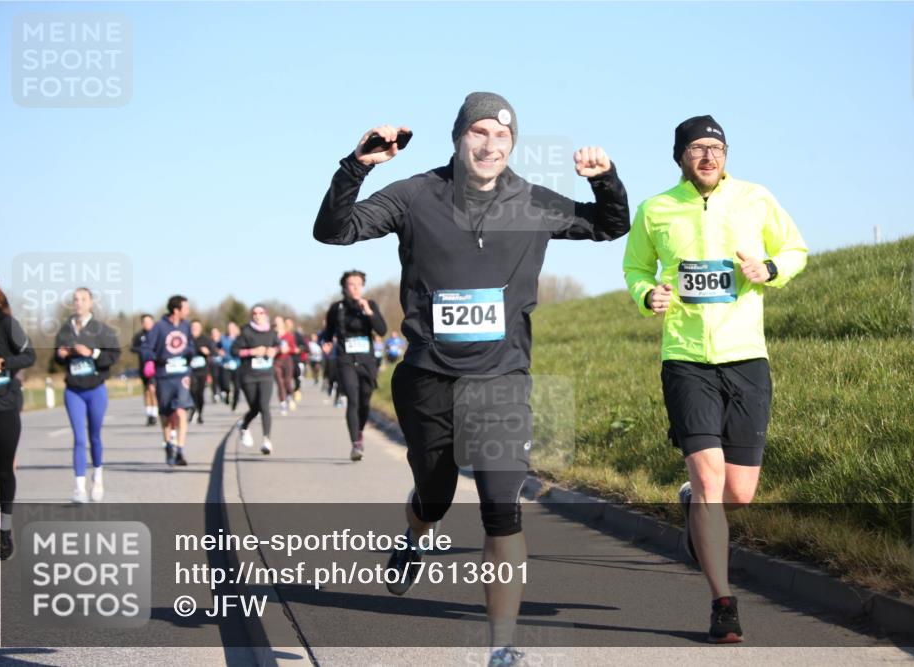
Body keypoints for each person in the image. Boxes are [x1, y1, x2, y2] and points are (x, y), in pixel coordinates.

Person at [313, 92, 629, 666]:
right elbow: (335, 232)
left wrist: (606, 180)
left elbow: (610, 226)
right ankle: (415, 534)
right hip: (428, 377)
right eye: (478, 133)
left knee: (501, 507)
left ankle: (501, 648)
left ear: (513, 145)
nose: (489, 145)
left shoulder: (532, 202)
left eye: (502, 137)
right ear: (458, 137)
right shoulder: (415, 195)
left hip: (502, 377)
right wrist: (356, 165)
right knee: (433, 496)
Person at [623, 115, 808, 644]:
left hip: (746, 355)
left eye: (716, 148)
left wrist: (769, 270)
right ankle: (723, 604)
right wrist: (646, 295)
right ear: (680, 156)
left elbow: (795, 248)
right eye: (697, 149)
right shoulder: (656, 208)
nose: (708, 157)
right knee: (709, 480)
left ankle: (692, 510)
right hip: (684, 357)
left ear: (726, 155)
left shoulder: (756, 198)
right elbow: (635, 268)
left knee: (740, 493)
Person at [0, 270, 36, 562]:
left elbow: (29, 356)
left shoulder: (6, 323)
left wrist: (0, 361)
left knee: (3, 471)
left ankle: (4, 530)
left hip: (4, 406)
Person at [53, 287, 120, 503]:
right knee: (79, 438)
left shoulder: (102, 330)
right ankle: (79, 488)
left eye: (83, 299)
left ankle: (98, 476)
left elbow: (114, 354)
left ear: (91, 303)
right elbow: (57, 358)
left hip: (95, 389)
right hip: (73, 390)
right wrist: (61, 355)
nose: (79, 303)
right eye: (75, 299)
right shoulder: (65, 330)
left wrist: (92, 353)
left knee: (94, 436)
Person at [322, 270, 387, 461]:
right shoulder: (336, 308)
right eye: (352, 284)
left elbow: (382, 330)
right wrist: (326, 343)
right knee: (353, 398)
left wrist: (368, 312)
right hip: (345, 359)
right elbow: (328, 333)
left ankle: (359, 430)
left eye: (359, 284)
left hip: (367, 360)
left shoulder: (370, 305)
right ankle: (355, 444)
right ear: (344, 287)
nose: (356, 287)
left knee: (365, 400)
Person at [141, 295, 195, 466]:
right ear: (176, 310)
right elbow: (146, 347)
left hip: (182, 375)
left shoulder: (186, 326)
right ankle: (168, 445)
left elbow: (191, 345)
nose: (188, 311)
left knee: (181, 411)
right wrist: (151, 360)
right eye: (185, 308)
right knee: (165, 415)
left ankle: (180, 450)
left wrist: (190, 353)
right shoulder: (159, 327)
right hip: (164, 376)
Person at [232, 305, 278, 455]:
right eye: (254, 313)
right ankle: (244, 426)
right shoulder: (246, 331)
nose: (257, 316)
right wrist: (252, 351)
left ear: (266, 314)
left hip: (266, 374)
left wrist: (274, 351)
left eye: (261, 313)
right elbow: (234, 350)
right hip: (249, 375)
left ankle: (266, 440)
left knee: (264, 406)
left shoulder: (271, 332)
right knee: (255, 408)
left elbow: (278, 345)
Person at [130, 314, 159, 425]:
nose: (147, 324)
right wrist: (141, 350)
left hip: (155, 366)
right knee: (146, 391)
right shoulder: (139, 336)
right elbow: (132, 348)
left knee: (153, 389)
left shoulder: (157, 334)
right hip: (143, 367)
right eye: (144, 322)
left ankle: (155, 414)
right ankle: (149, 414)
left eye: (149, 321)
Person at [187, 320, 212, 424]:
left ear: (200, 328)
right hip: (190, 370)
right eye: (193, 327)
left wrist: (207, 352)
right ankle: (193, 408)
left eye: (197, 327)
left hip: (202, 370)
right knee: (192, 391)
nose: (195, 329)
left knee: (200, 393)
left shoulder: (205, 339)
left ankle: (200, 413)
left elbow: (213, 352)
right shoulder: (187, 339)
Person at [273, 316, 297, 416]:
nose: (277, 324)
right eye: (275, 322)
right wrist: (276, 350)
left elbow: (294, 349)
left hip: (287, 360)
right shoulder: (272, 335)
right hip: (276, 361)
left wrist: (288, 349)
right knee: (280, 383)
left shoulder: (289, 336)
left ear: (283, 323)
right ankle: (282, 403)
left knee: (287, 381)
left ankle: (289, 395)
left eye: (279, 322)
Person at [208, 326, 227, 404]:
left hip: (222, 363)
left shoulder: (223, 341)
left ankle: (223, 392)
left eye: (216, 332)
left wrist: (223, 353)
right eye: (213, 333)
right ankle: (215, 394)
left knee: (222, 379)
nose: (214, 334)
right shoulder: (210, 342)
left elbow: (227, 351)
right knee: (214, 379)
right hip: (213, 363)